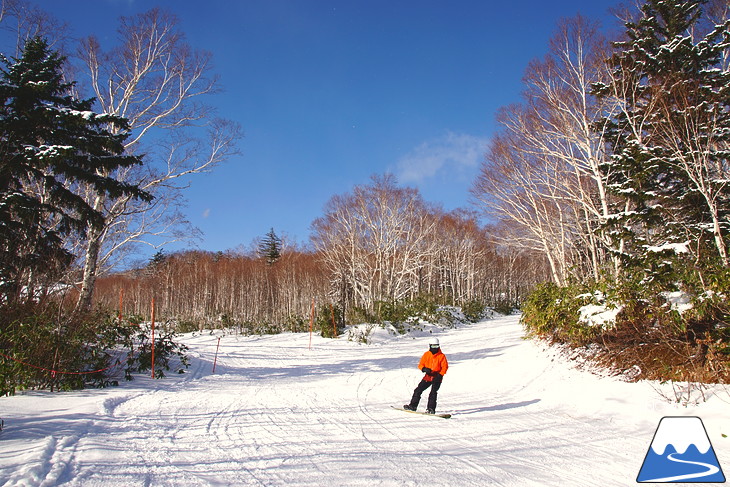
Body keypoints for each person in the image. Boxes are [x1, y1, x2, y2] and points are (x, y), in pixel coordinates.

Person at [403, 337, 449, 414]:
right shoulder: (426, 354)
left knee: (433, 392)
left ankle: (431, 409)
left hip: (437, 377)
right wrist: (424, 369)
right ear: (430, 346)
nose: (435, 348)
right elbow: (420, 364)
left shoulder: (442, 356)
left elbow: (445, 367)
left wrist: (440, 375)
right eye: (433, 346)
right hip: (428, 376)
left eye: (436, 346)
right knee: (418, 390)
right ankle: (413, 406)